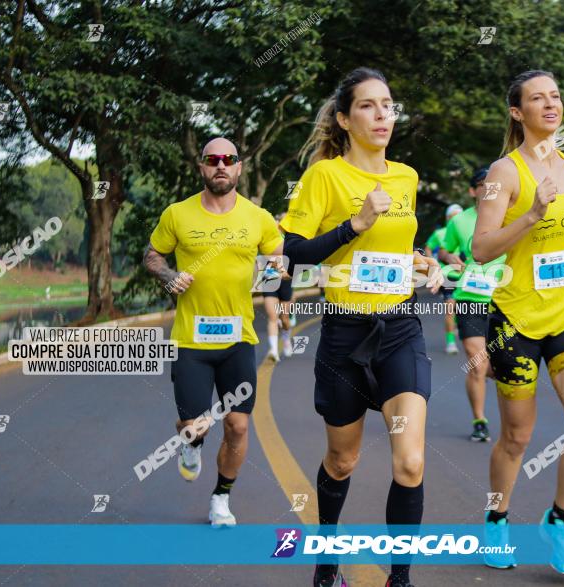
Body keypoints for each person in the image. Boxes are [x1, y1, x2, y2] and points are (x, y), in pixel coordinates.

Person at [281, 67, 441, 587]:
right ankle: (327, 558)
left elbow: (394, 251)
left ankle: (400, 578)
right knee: (342, 459)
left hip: (399, 328)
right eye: (368, 106)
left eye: (388, 104)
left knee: (410, 460)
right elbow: (292, 253)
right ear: (345, 120)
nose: (382, 114)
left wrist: (423, 262)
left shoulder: (408, 177)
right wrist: (354, 226)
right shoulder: (324, 177)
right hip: (345, 336)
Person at [471, 70, 564, 576]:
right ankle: (496, 519)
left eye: (555, 95)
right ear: (518, 112)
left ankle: (558, 520)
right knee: (516, 438)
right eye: (537, 98)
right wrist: (531, 214)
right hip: (517, 321)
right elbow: (481, 247)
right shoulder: (503, 173)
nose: (550, 104)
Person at [143, 137, 284, 527]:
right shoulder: (178, 214)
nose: (220, 165)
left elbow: (277, 256)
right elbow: (152, 254)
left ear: (239, 168)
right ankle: (193, 443)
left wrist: (272, 277)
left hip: (239, 339)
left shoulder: (257, 217)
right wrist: (169, 275)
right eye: (212, 159)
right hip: (191, 340)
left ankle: (221, 498)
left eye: (229, 159)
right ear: (202, 167)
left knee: (238, 424)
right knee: (193, 426)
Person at [437, 166, 506, 442]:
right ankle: (480, 420)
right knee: (478, 364)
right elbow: (445, 249)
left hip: (504, 300)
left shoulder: (510, 216)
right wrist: (450, 257)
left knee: (499, 366)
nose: (489, 188)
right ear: (473, 190)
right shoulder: (459, 221)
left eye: (494, 183)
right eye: (483, 183)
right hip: (470, 299)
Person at [426, 204, 463, 354]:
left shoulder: (468, 231)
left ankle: (456, 324)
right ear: (448, 218)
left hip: (468, 275)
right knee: (450, 307)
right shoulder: (440, 234)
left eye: (458, 216)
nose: (456, 219)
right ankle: (451, 343)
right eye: (453, 216)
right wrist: (433, 264)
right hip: (448, 275)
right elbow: (428, 247)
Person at [262, 213, 294, 361]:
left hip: (286, 278)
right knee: (272, 316)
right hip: (270, 275)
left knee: (284, 318)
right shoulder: (267, 235)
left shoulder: (291, 238)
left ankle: (286, 337)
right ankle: (274, 351)